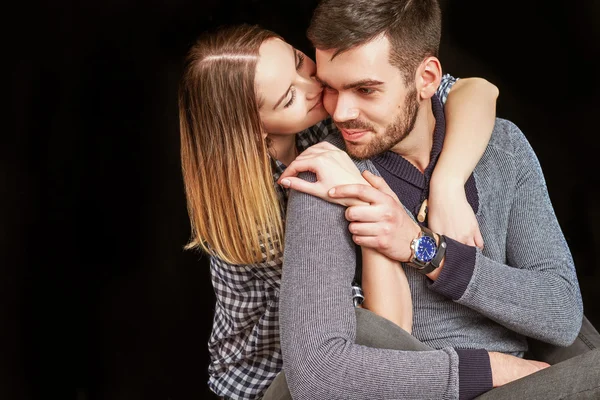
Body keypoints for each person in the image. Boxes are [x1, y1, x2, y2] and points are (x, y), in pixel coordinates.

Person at [277, 0, 600, 399]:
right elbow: (317, 373)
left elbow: (563, 314)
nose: (341, 112)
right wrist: (491, 368)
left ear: (426, 78)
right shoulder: (327, 174)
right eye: (330, 87)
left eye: (365, 90)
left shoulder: (502, 148)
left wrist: (429, 252)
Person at [178, 23, 500, 399]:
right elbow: (382, 332)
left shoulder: (322, 121)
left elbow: (477, 90)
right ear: (254, 132)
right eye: (289, 98)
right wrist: (362, 194)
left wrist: (447, 185)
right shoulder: (258, 213)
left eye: (299, 63)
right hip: (278, 383)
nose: (315, 87)